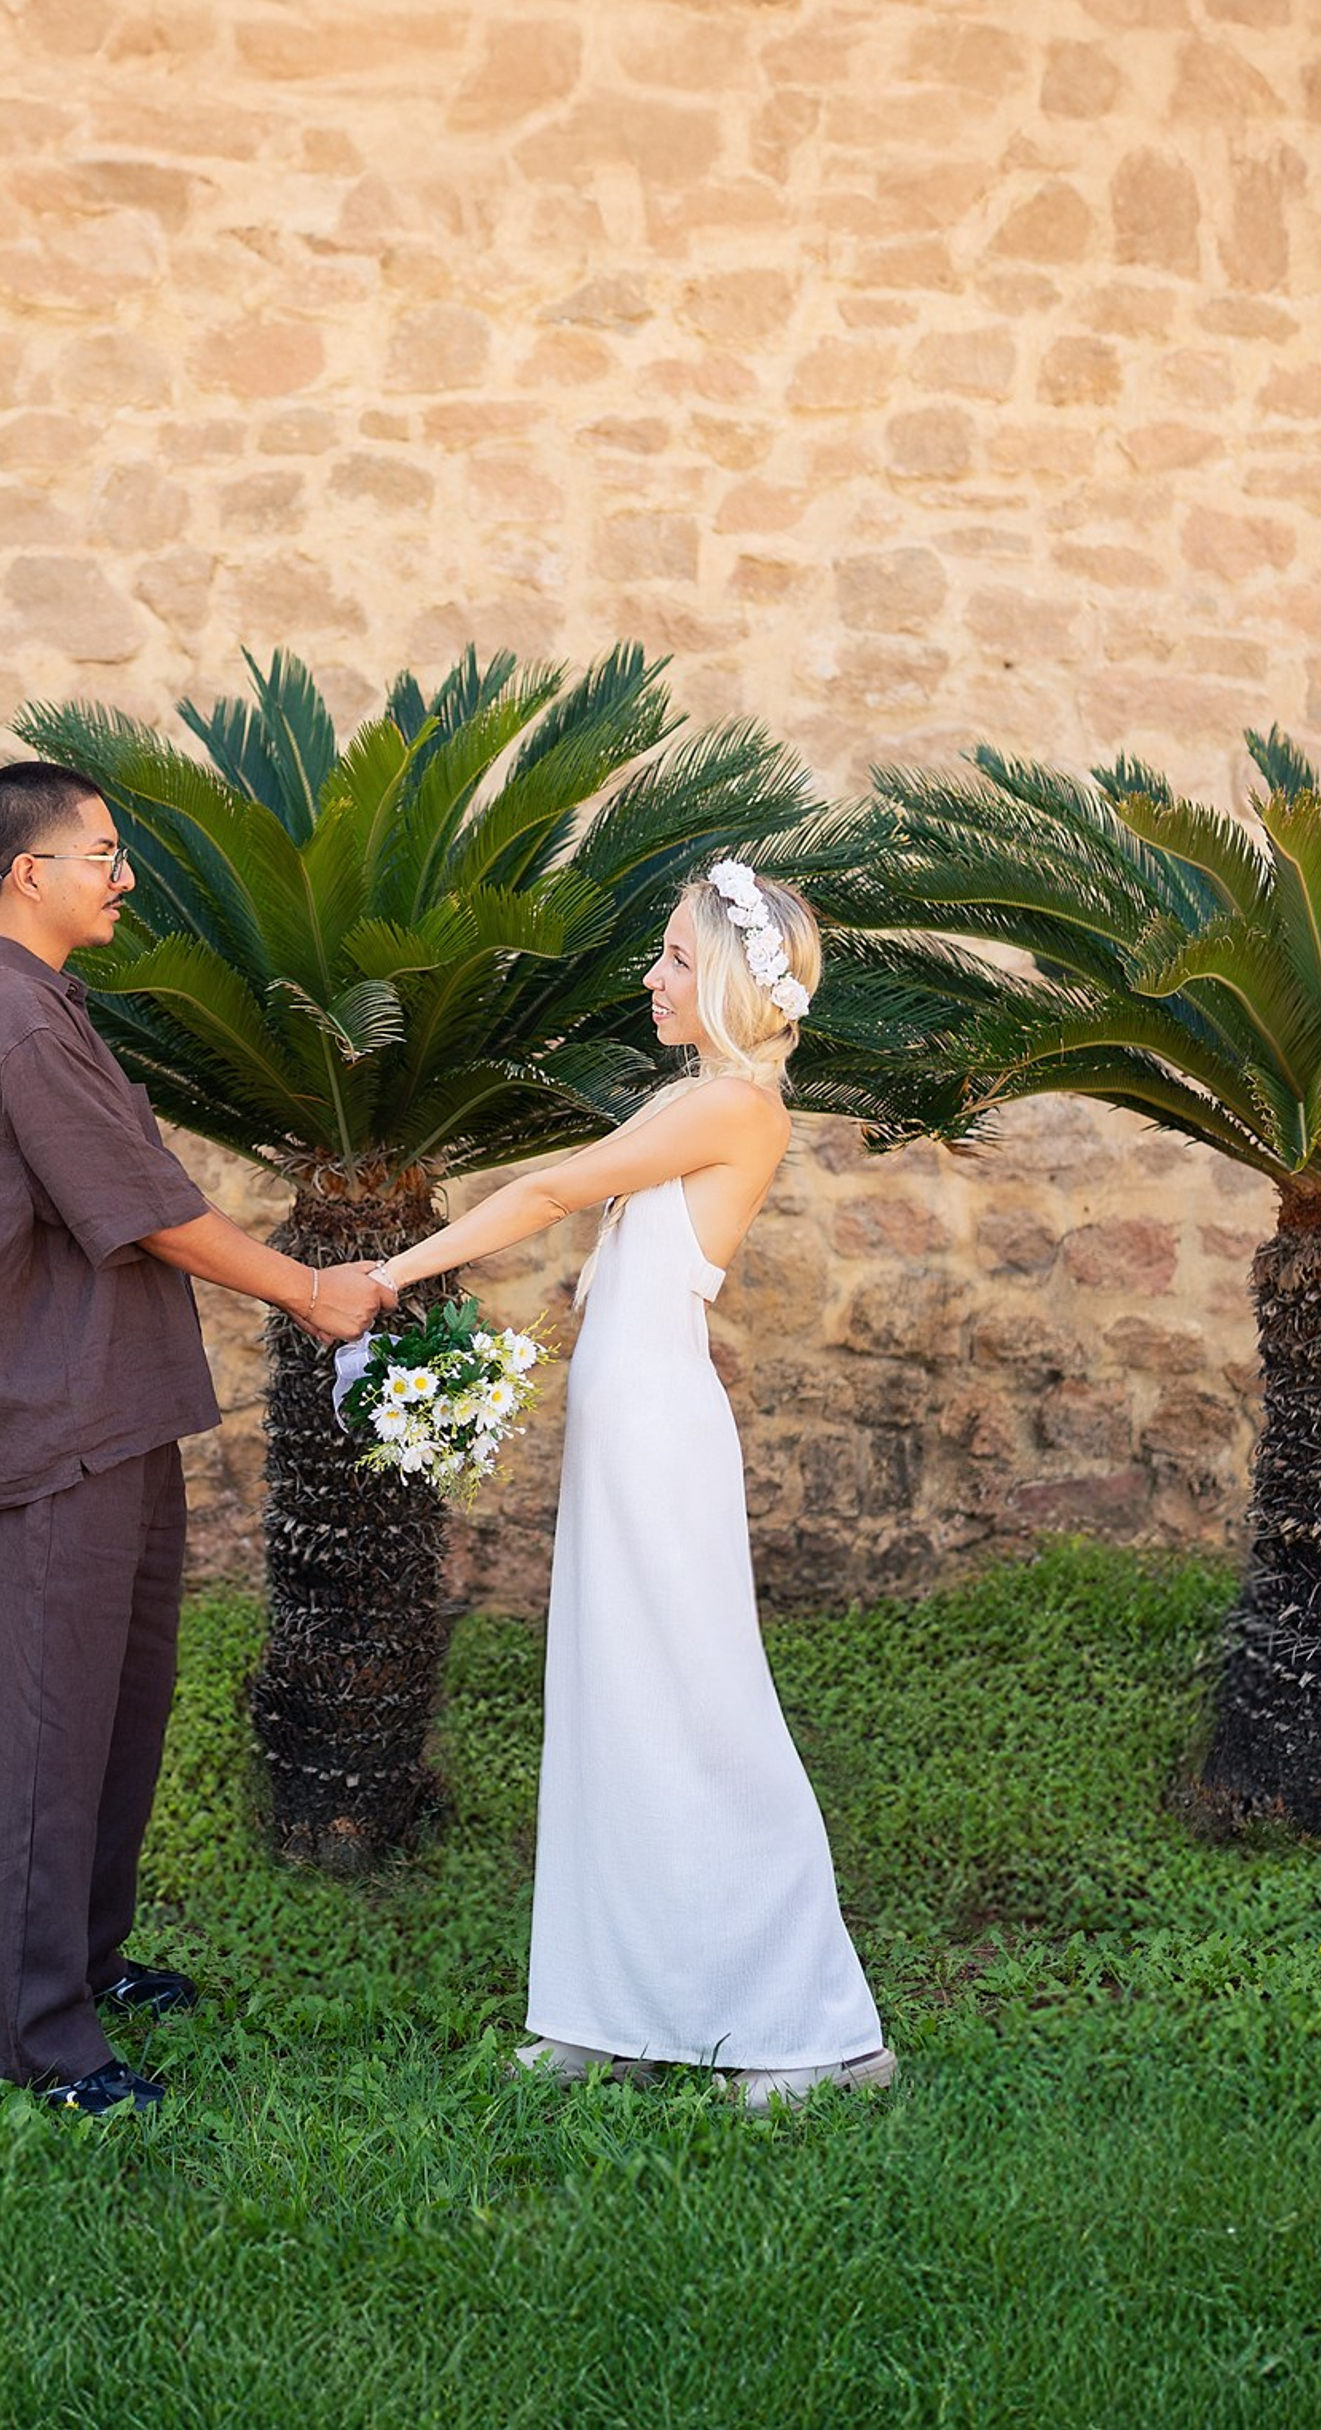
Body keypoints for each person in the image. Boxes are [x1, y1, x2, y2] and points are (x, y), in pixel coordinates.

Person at [367, 864, 894, 2111]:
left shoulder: (735, 1108)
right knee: (610, 1706)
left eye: (667, 957)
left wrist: (392, 1270)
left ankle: (809, 2032)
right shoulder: (690, 1097)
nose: (648, 976)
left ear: (720, 975)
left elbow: (555, 1186)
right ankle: (608, 2005)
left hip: (662, 1444)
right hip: (625, 1437)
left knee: (702, 1709)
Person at [0, 760, 391, 2114]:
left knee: (115, 1713)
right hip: (54, 1418)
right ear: (32, 874)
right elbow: (145, 1207)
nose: (125, 879)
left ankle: (85, 1962)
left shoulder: (37, 1008)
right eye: (105, 855)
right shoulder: (4, 1017)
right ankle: (29, 2040)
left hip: (109, 1406)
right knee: (42, 1725)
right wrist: (310, 1289)